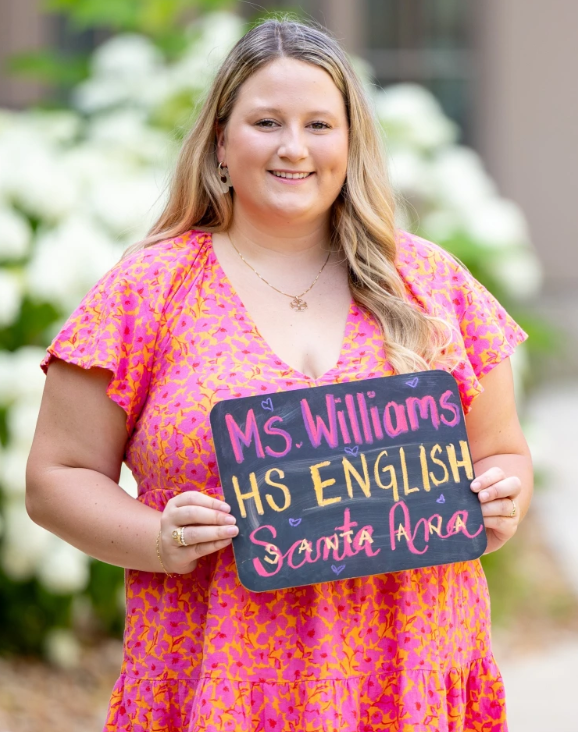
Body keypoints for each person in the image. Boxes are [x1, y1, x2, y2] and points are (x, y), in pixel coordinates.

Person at [26, 17, 532, 732]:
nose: (295, 147)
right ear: (222, 142)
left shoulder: (427, 281)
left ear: (350, 145)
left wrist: (503, 502)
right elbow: (55, 477)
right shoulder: (148, 289)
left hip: (407, 676)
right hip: (222, 680)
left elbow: (502, 454)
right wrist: (156, 540)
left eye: (319, 124)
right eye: (267, 122)